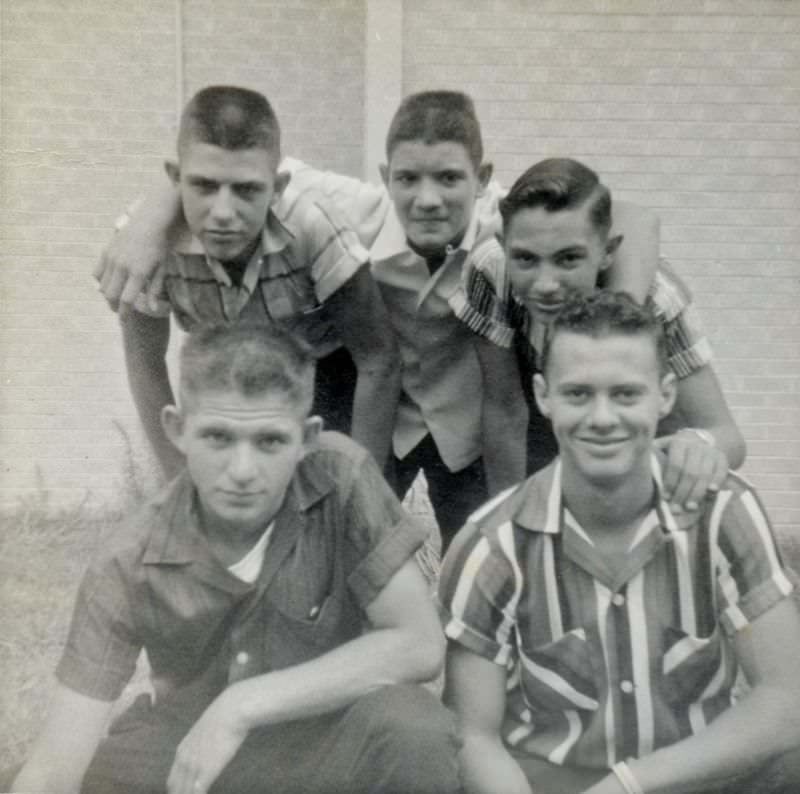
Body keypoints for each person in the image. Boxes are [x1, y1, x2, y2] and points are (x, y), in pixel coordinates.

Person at [95, 90, 659, 550]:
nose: (429, 199)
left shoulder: (505, 220)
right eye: (409, 179)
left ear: (481, 178)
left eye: (449, 180)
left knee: (471, 549)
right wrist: (150, 216)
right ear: (387, 177)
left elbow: (629, 214)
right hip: (377, 418)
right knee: (342, 545)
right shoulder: (356, 210)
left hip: (461, 426)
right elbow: (240, 176)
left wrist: (624, 322)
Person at [10, 324, 459, 794]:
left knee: (414, 729)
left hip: (323, 738)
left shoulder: (340, 477)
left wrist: (241, 704)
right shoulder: (128, 558)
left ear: (306, 438)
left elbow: (419, 643)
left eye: (269, 441)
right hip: (190, 756)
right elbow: (56, 766)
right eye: (218, 438)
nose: (243, 471)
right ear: (176, 431)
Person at [438, 291, 800, 794]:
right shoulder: (491, 545)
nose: (603, 418)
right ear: (544, 396)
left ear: (666, 395)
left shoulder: (723, 513)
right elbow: (475, 736)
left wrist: (629, 783)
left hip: (695, 773)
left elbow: (785, 701)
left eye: (626, 394)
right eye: (578, 394)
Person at [119, 85, 400, 477]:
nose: (222, 212)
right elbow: (145, 362)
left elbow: (377, 357)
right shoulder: (144, 241)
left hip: (322, 371)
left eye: (247, 189)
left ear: (278, 187)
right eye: (204, 186)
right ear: (175, 178)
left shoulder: (313, 223)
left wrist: (359, 483)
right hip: (227, 374)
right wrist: (178, 479)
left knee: (317, 504)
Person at [464, 157, 746, 512]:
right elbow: (504, 410)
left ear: (608, 252)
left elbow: (729, 436)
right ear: (505, 247)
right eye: (526, 260)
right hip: (559, 419)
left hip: (646, 442)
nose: (546, 284)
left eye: (568, 259)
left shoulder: (660, 300)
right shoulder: (491, 269)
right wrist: (508, 521)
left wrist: (699, 444)